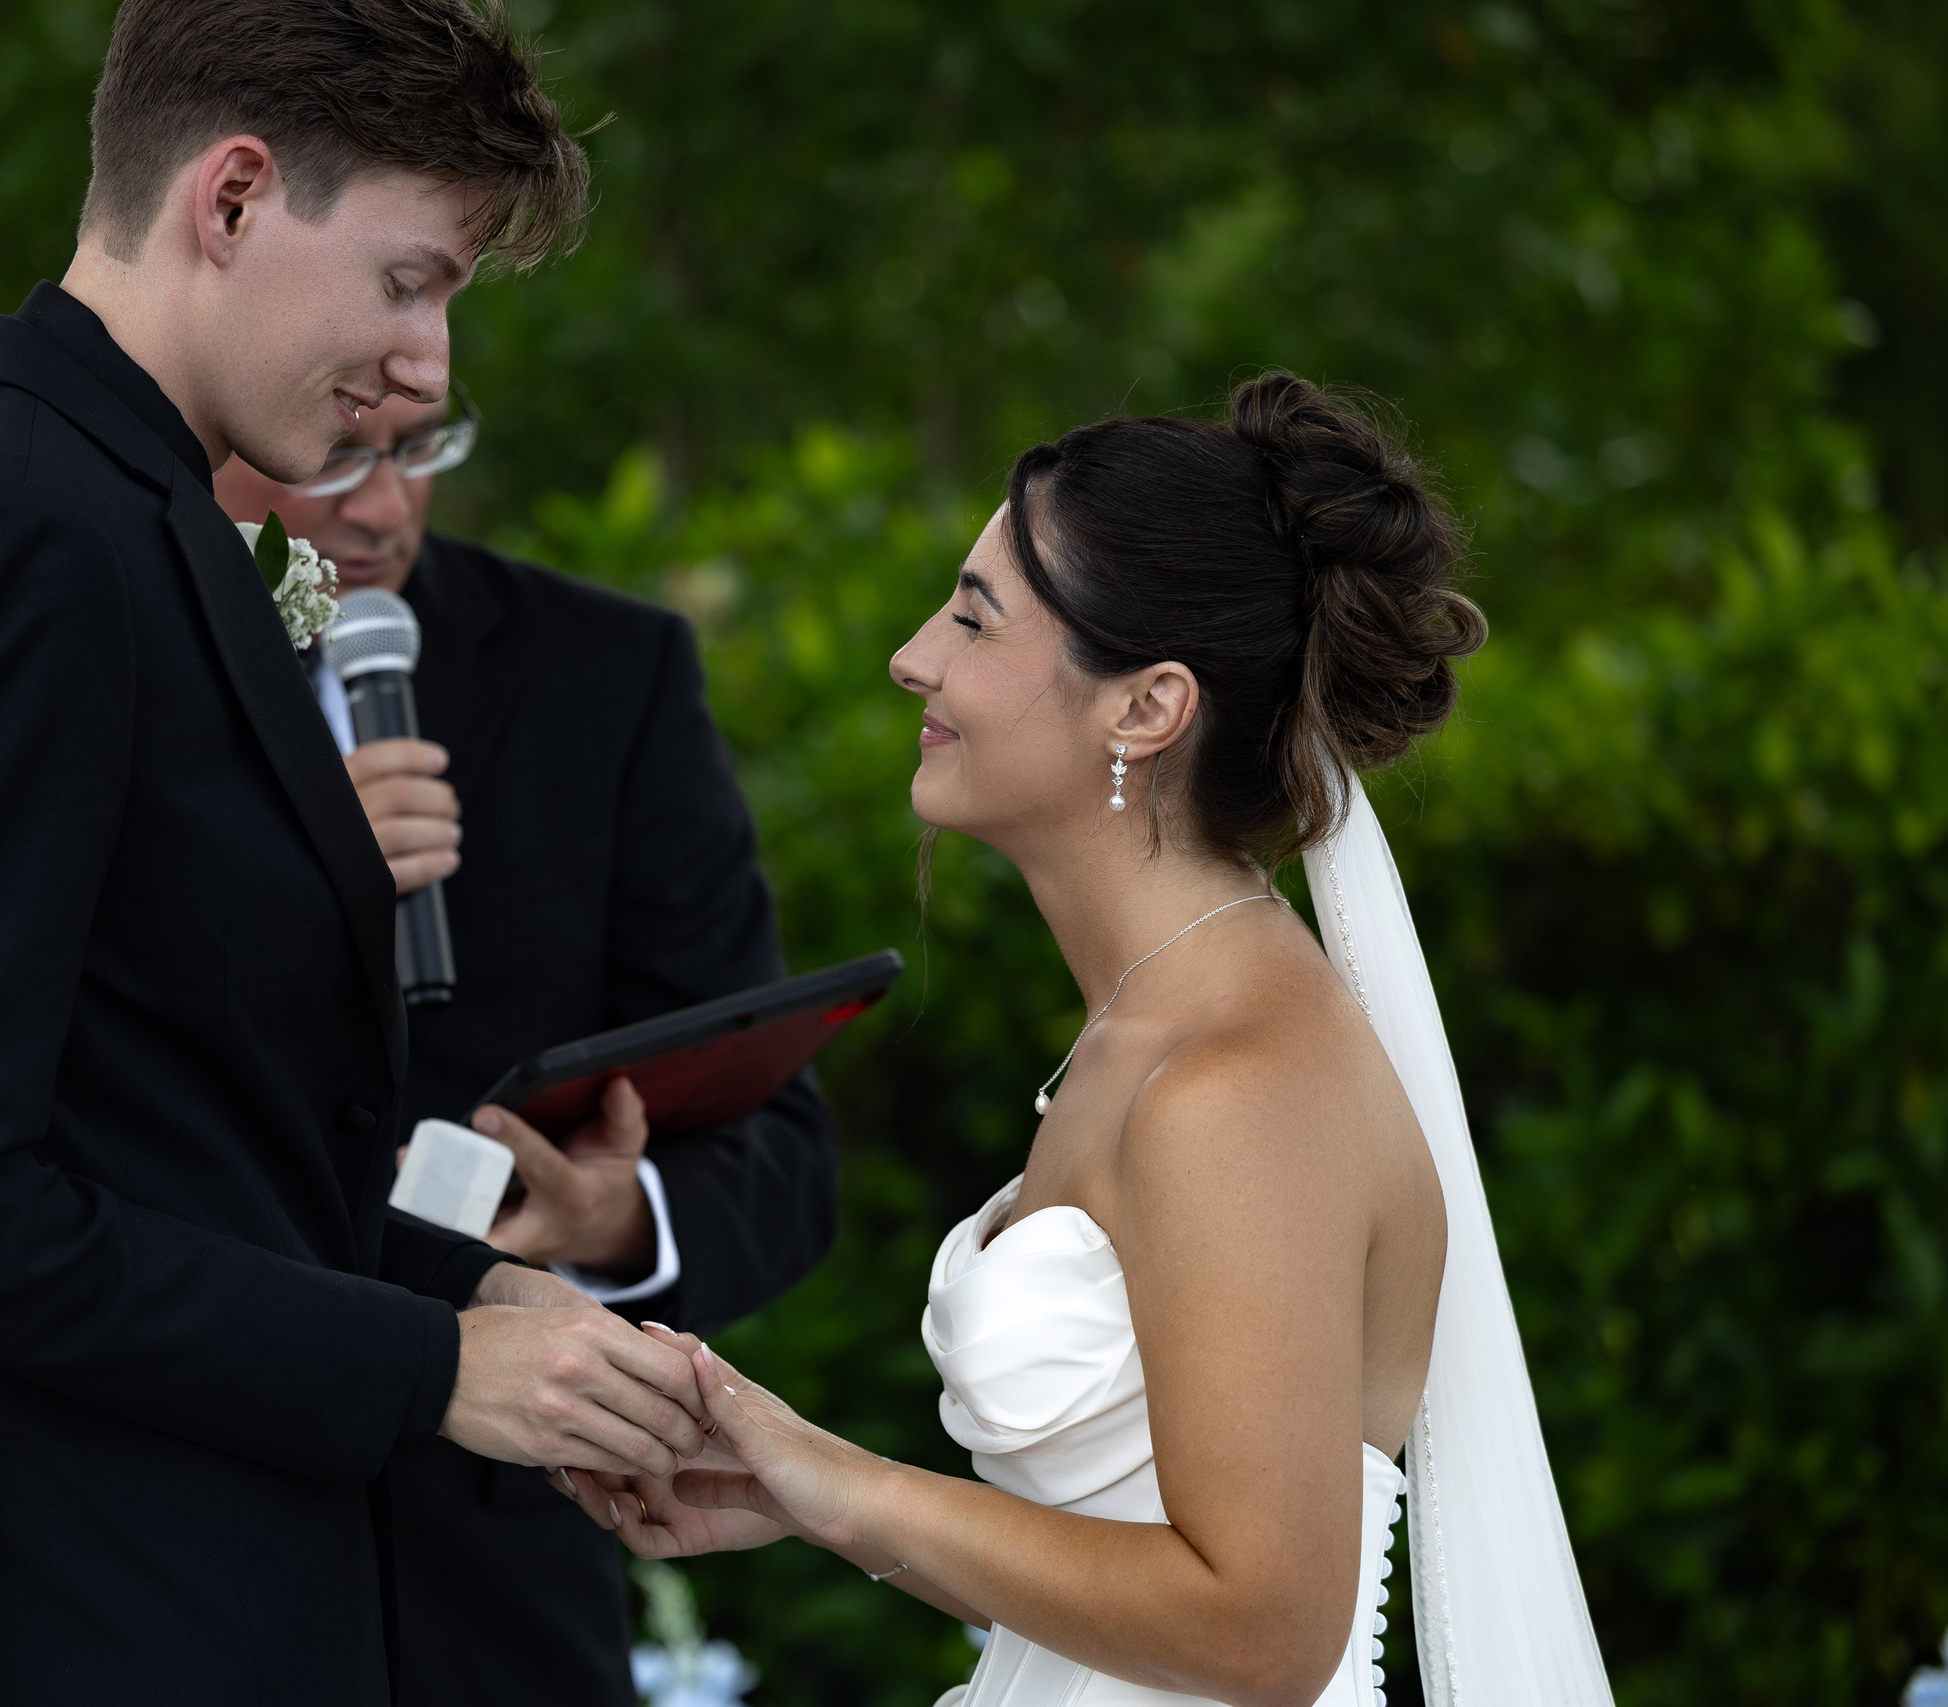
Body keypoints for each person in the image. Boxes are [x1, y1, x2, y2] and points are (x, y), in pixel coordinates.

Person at [0, 5, 717, 1704]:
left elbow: (175, 1129)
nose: (429, 370)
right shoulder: (20, 538)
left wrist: (491, 1295)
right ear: (230, 198)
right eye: (411, 281)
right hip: (82, 1623)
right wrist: (426, 1365)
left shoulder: (104, 514)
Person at [555, 374, 1618, 1706]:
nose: (911, 657)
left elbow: (1265, 1631)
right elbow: (1121, 1563)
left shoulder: (1240, 1082)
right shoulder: (1154, 1025)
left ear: (1146, 707)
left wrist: (853, 1488)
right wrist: (803, 1490)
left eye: (973, 617)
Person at [215, 388, 839, 1705]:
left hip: (498, 1589)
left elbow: (784, 1159)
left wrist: (616, 1220)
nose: (383, 507)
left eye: (415, 449)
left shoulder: (606, 677)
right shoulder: (110, 669)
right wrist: (291, 885)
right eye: (335, 456)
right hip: (179, 1533)